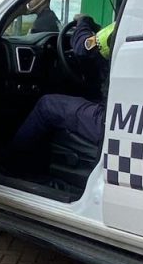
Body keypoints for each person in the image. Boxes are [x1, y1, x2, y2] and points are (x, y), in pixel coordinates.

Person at [8, 15, 115, 168]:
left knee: (47, 105)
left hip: (111, 120)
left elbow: (82, 48)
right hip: (126, 115)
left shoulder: (118, 30)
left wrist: (83, 22)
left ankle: (11, 164)